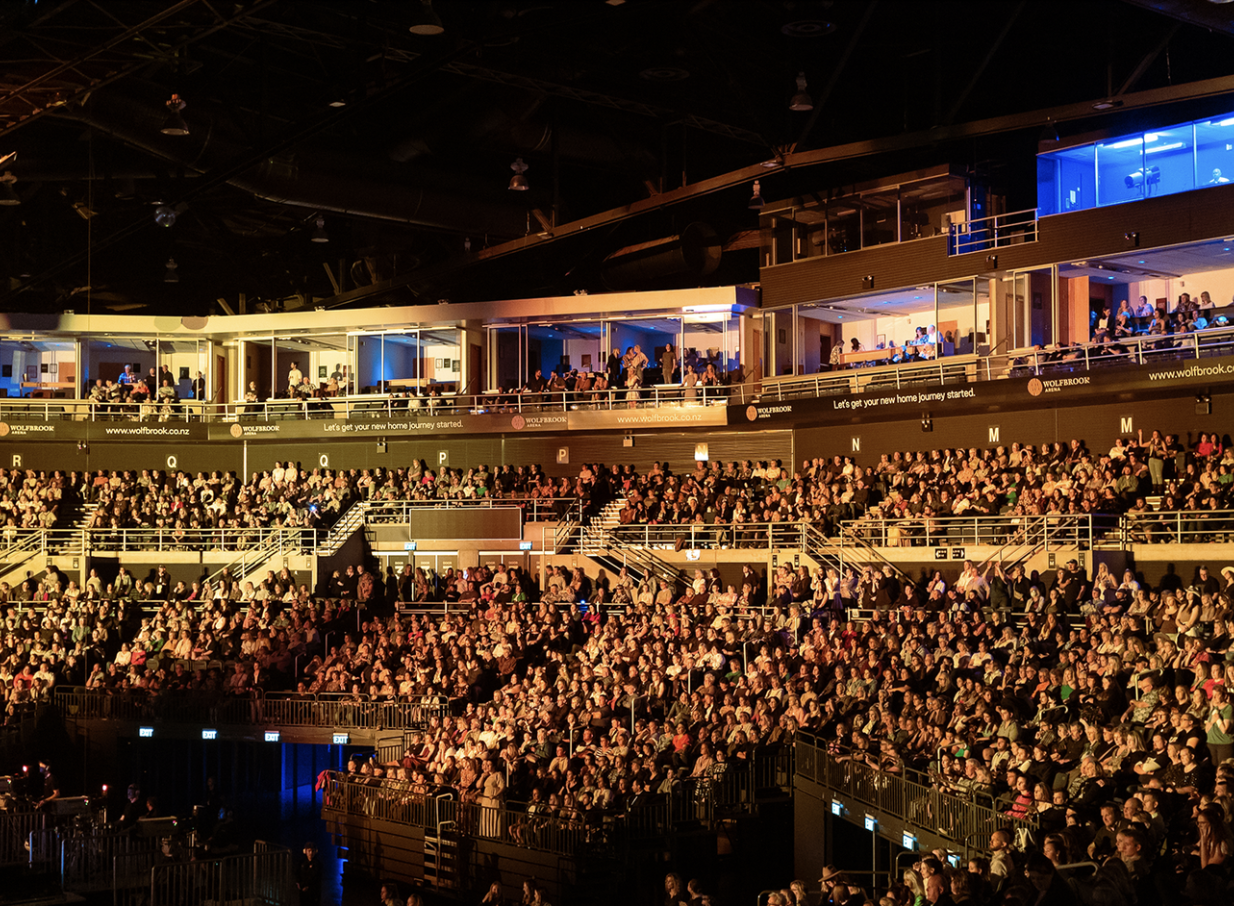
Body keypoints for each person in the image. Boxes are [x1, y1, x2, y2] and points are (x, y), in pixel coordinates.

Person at [297, 842, 322, 906]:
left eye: (312, 851)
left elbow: (316, 877)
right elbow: (297, 873)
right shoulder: (301, 862)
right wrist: (299, 883)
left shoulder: (317, 863)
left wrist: (307, 886)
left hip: (313, 892)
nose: (311, 853)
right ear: (305, 851)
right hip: (303, 891)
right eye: (309, 851)